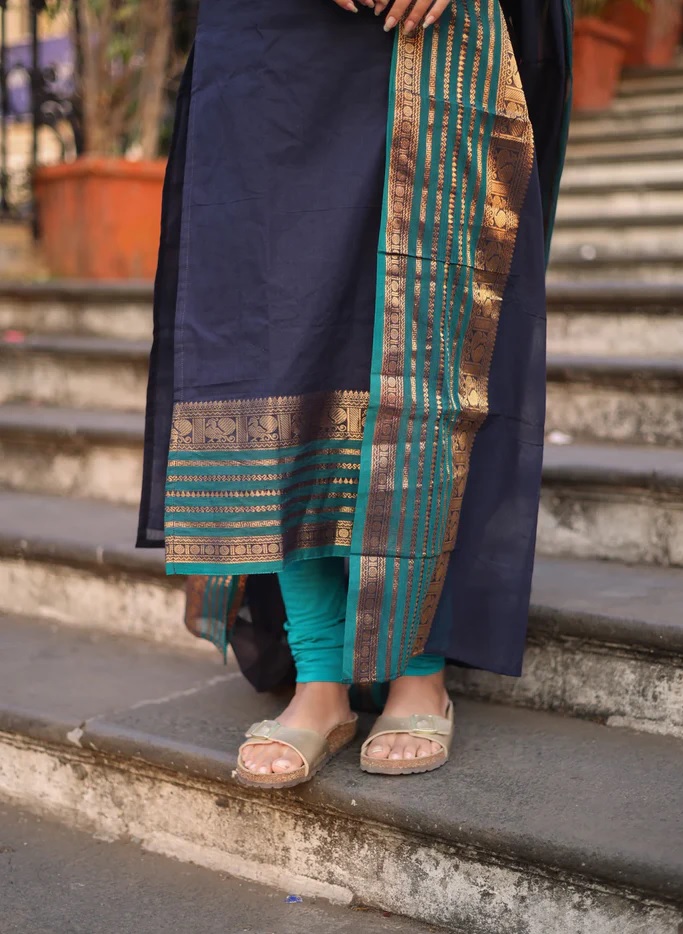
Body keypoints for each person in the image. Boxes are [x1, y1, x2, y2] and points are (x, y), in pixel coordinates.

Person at [138, 0, 572, 788]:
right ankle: (320, 676)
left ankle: (418, 668)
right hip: (273, 34)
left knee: (429, 338)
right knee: (272, 337)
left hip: (436, 31)